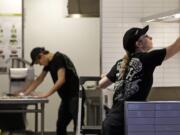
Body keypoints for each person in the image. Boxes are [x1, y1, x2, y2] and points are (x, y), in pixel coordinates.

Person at [98, 25, 180, 135]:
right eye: (146, 36)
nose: (150, 37)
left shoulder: (120, 63)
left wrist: (107, 75)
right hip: (126, 125)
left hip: (111, 123)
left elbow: (102, 84)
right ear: (139, 44)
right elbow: (177, 46)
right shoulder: (148, 58)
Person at [18, 47, 79, 135]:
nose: (40, 64)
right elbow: (39, 79)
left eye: (38, 62)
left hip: (75, 96)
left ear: (41, 55)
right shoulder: (49, 63)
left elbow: (61, 80)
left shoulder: (58, 58)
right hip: (66, 98)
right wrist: (25, 93)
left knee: (78, 125)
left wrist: (46, 94)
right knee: (61, 125)